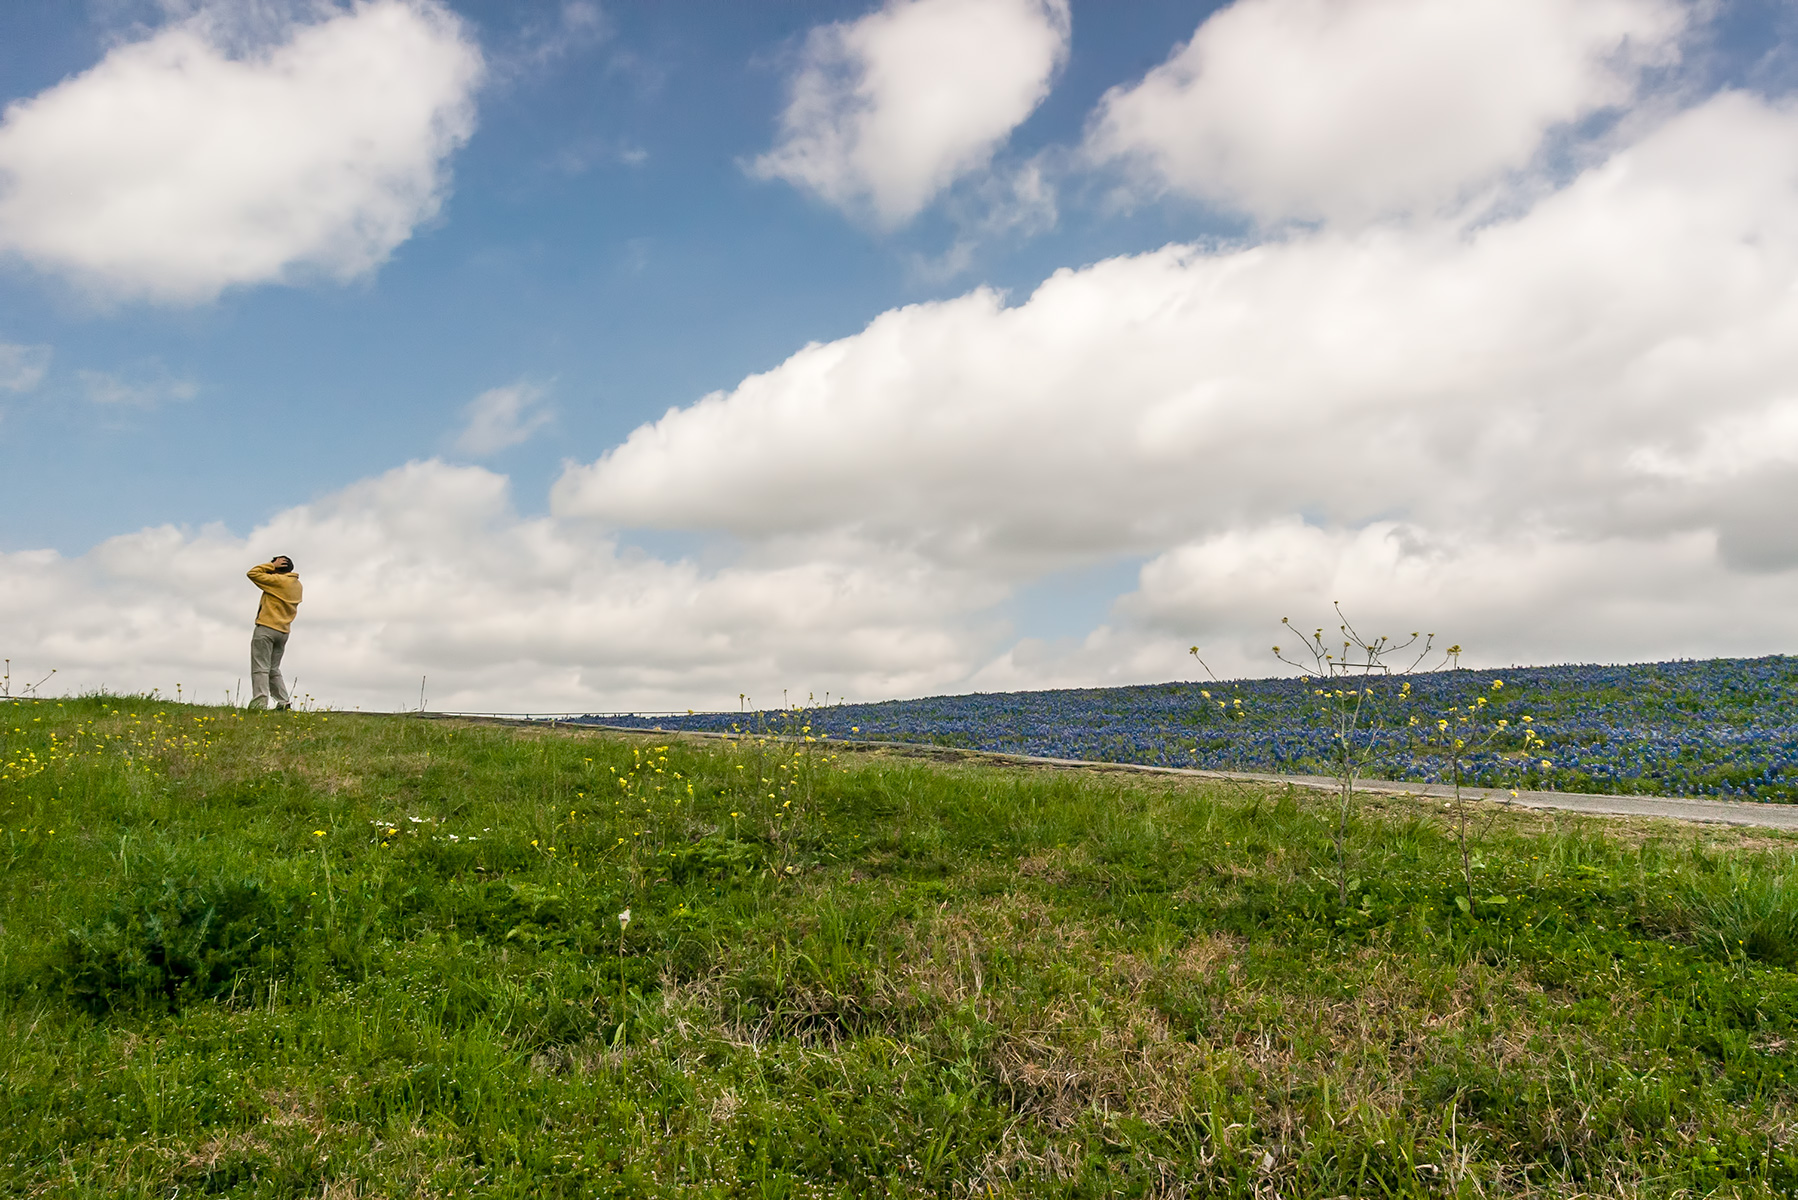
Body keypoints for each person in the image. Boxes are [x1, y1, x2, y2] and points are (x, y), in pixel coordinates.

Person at [246, 556, 302, 711]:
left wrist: (270, 565)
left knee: (260, 668)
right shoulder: (297, 585)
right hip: (283, 631)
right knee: (274, 669)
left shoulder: (278, 581)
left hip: (266, 628)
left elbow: (253, 573)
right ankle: (283, 702)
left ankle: (259, 703)